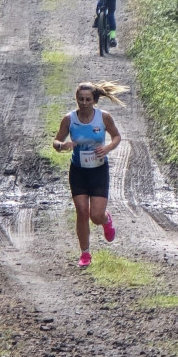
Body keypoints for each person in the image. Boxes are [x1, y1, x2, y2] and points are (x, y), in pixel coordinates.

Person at [53, 81, 129, 267]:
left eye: (88, 99)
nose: (84, 103)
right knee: (82, 211)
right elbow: (56, 141)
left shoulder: (104, 117)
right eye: (81, 99)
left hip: (98, 171)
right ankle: (85, 254)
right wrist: (63, 146)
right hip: (78, 171)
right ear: (76, 100)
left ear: (94, 100)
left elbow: (117, 136)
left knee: (95, 216)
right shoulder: (69, 119)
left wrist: (108, 147)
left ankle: (105, 219)